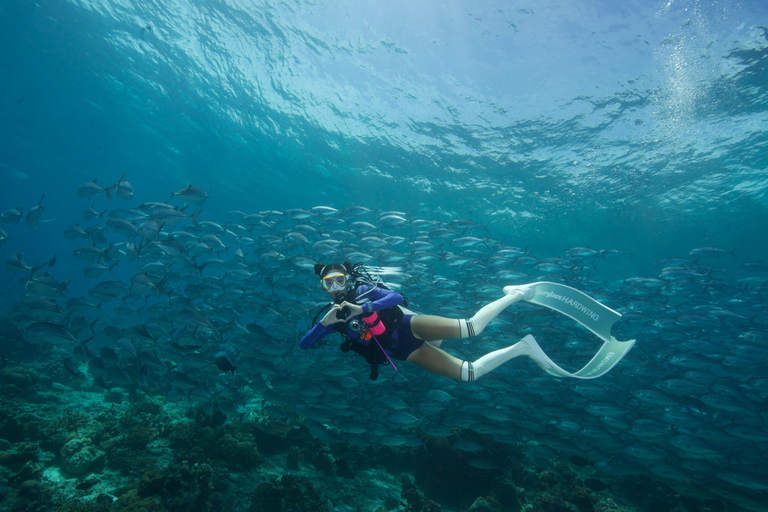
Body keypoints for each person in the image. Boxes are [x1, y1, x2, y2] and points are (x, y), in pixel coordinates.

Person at [300, 262, 535, 382]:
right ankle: (524, 347)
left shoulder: (362, 291)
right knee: (468, 373)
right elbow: (304, 345)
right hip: (404, 352)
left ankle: (516, 294)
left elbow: (397, 297)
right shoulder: (334, 320)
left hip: (409, 325)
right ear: (323, 288)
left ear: (347, 280)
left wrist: (363, 308)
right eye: (328, 283)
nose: (335, 288)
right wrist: (324, 323)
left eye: (339, 280)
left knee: (471, 327)